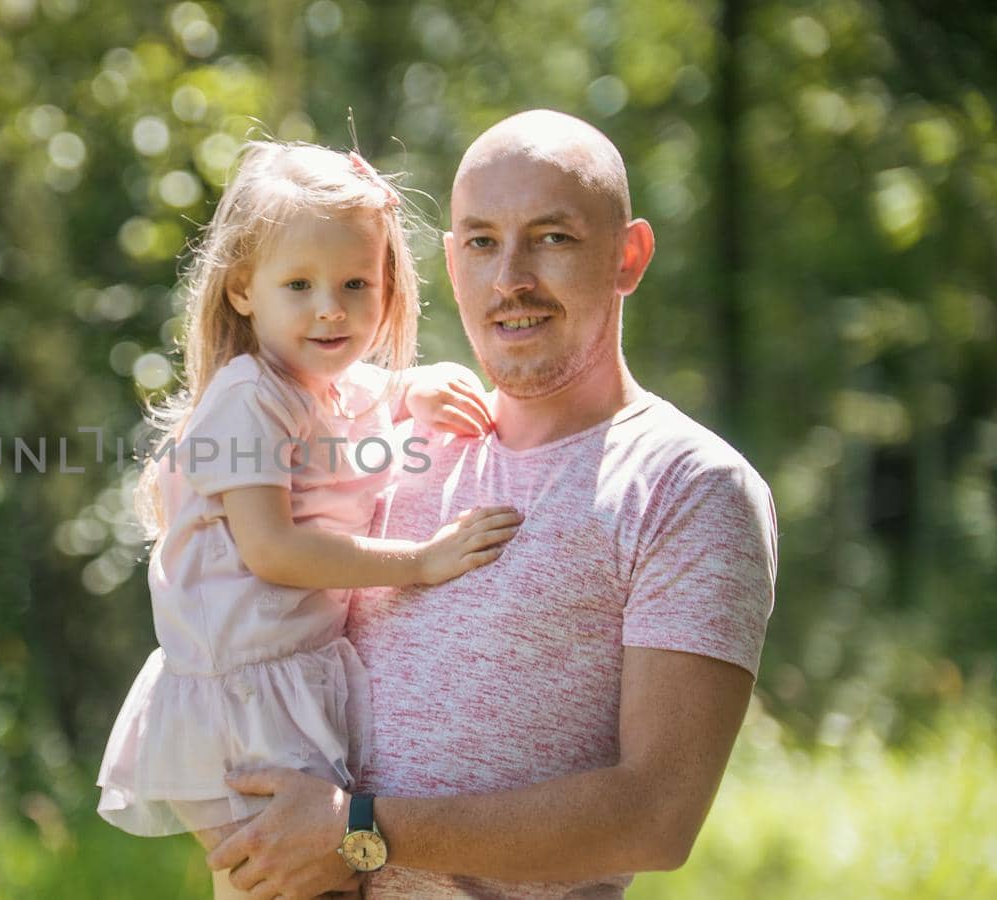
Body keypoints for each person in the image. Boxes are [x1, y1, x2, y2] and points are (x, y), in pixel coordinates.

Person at [204, 110, 780, 898]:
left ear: (629, 255)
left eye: (552, 237)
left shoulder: (689, 488)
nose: (510, 279)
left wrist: (359, 830)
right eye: (481, 242)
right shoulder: (399, 441)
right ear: (451, 260)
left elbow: (657, 813)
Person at [94, 141, 524, 899]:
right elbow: (274, 551)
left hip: (285, 677)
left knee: (316, 881)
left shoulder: (314, 382)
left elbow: (359, 390)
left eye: (357, 283)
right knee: (292, 884)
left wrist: (411, 389)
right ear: (242, 291)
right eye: (299, 284)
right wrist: (419, 561)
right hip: (242, 699)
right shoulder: (245, 400)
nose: (332, 307)